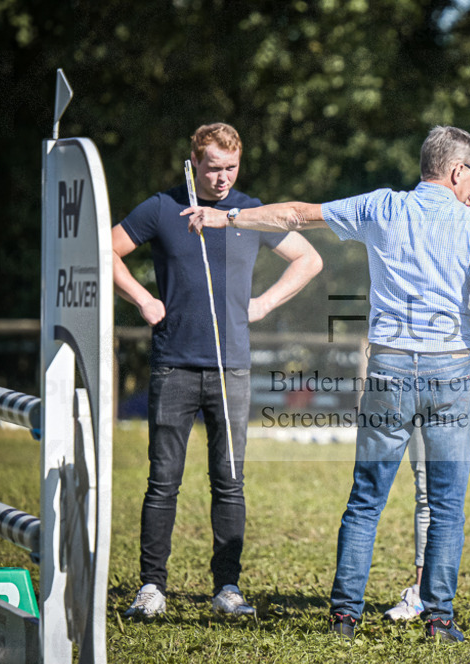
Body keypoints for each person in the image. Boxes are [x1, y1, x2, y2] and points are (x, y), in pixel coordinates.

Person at [182, 126, 470, 643]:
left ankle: (345, 615)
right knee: (450, 502)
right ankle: (439, 619)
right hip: (450, 372)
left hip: (389, 368)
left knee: (367, 497)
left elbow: (295, 213)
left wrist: (226, 215)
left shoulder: (383, 207)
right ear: (458, 172)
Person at [115, 122, 323, 618]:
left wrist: (264, 303)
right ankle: (151, 588)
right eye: (213, 168)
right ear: (193, 163)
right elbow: (105, 249)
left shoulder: (250, 212)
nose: (223, 177)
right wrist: (144, 299)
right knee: (163, 481)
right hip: (173, 366)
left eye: (231, 167)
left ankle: (227, 588)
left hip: (232, 368)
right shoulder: (161, 208)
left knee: (229, 482)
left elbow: (308, 258)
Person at [385, 161, 470, 625]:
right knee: (427, 488)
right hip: (431, 372)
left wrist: (435, 293)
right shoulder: (432, 232)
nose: (468, 195)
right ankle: (420, 587)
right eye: (466, 187)